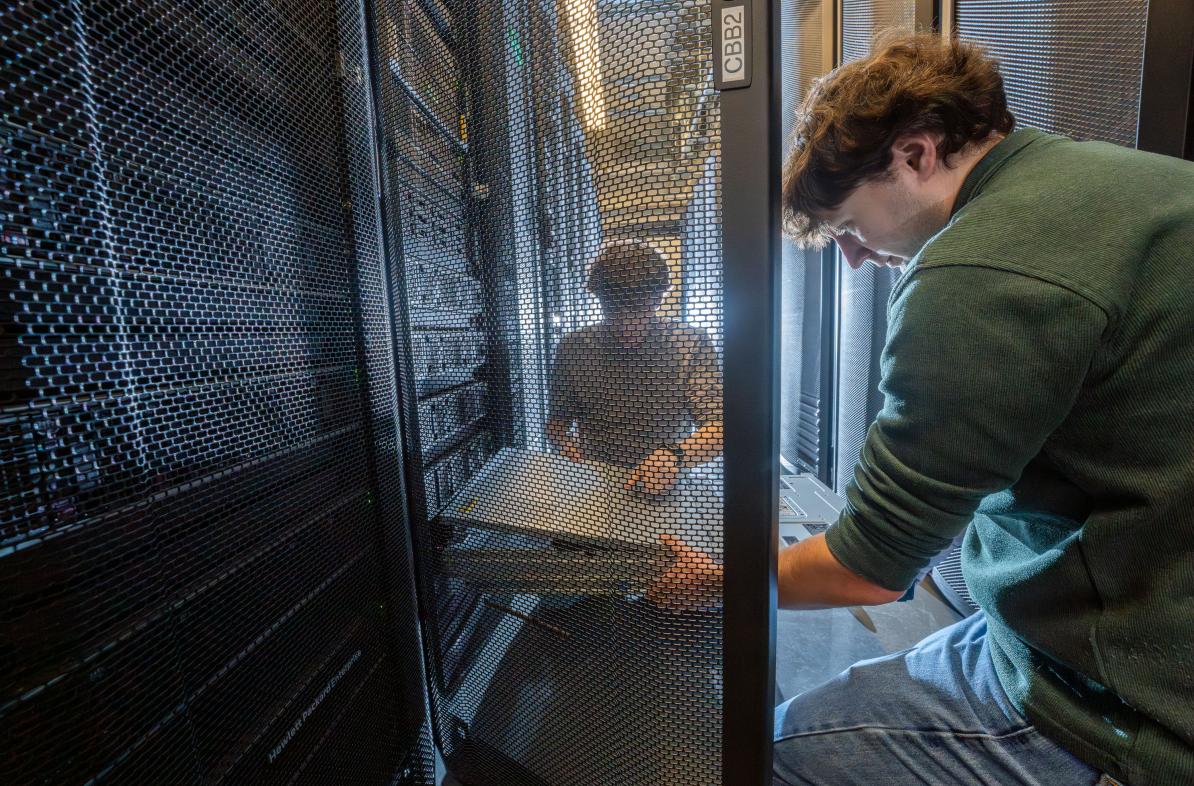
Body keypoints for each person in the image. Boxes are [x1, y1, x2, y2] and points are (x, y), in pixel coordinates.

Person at [655, 32, 1194, 786]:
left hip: (1122, 705)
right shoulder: (1136, 184)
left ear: (914, 156)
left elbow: (869, 569)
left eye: (848, 227)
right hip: (1079, 622)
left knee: (768, 758)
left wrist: (721, 580)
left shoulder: (977, 268)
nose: (853, 257)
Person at [546, 239, 723, 494]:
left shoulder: (690, 343)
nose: (628, 326)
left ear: (658, 300)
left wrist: (675, 456)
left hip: (664, 486)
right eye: (615, 313)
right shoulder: (573, 347)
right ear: (601, 301)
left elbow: (718, 427)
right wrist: (568, 447)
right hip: (596, 483)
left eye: (641, 310)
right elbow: (557, 423)